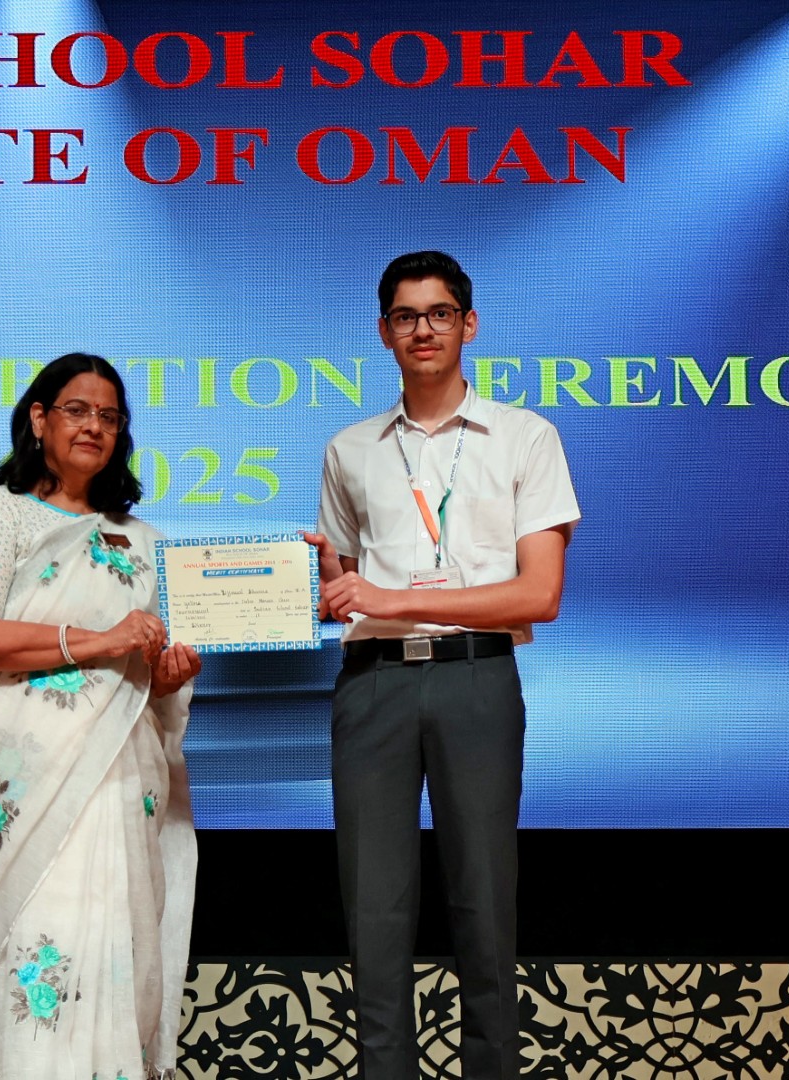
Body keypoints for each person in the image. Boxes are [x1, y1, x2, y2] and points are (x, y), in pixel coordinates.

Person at [305, 252, 580, 1080]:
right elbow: (346, 586)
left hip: (476, 677)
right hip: (374, 686)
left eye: (438, 313)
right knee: (374, 911)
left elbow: (540, 594)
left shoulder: (527, 437)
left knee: (484, 904)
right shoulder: (349, 449)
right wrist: (328, 582)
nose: (422, 329)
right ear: (383, 331)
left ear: (469, 324)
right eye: (405, 316)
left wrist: (390, 597)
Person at [0, 353, 201, 1080]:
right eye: (77, 411)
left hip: (116, 779)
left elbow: (151, 676)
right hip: (20, 781)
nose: (93, 427)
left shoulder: (144, 541)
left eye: (109, 417)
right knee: (32, 946)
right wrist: (99, 641)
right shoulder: (1, 513)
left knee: (111, 940)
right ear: (38, 419)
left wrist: (168, 677)